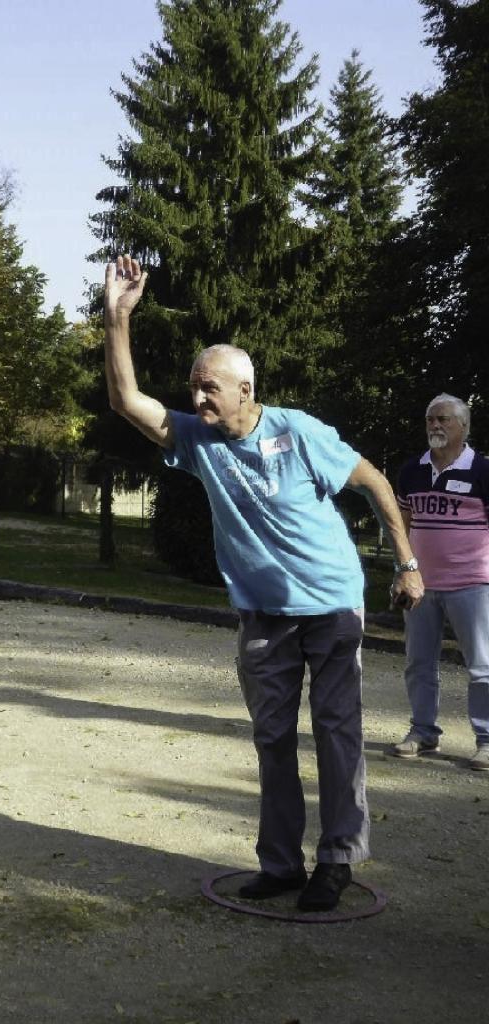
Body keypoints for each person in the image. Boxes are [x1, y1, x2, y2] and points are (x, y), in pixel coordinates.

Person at [104, 255, 424, 912]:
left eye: (209, 388)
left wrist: (407, 561)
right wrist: (117, 318)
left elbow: (376, 483)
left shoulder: (298, 431)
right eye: (194, 387)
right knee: (272, 736)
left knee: (337, 732)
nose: (196, 398)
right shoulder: (197, 441)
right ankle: (279, 864)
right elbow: (125, 400)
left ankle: (335, 860)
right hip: (262, 614)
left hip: (332, 603)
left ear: (246, 390)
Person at [392, 394, 489, 771]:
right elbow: (402, 525)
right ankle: (423, 731)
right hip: (420, 585)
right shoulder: (411, 471)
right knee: (419, 662)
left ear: (462, 426)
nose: (435, 425)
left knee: (482, 665)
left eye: (444, 419)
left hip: (473, 584)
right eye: (430, 419)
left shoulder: (482, 470)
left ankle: (485, 740)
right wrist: (403, 570)